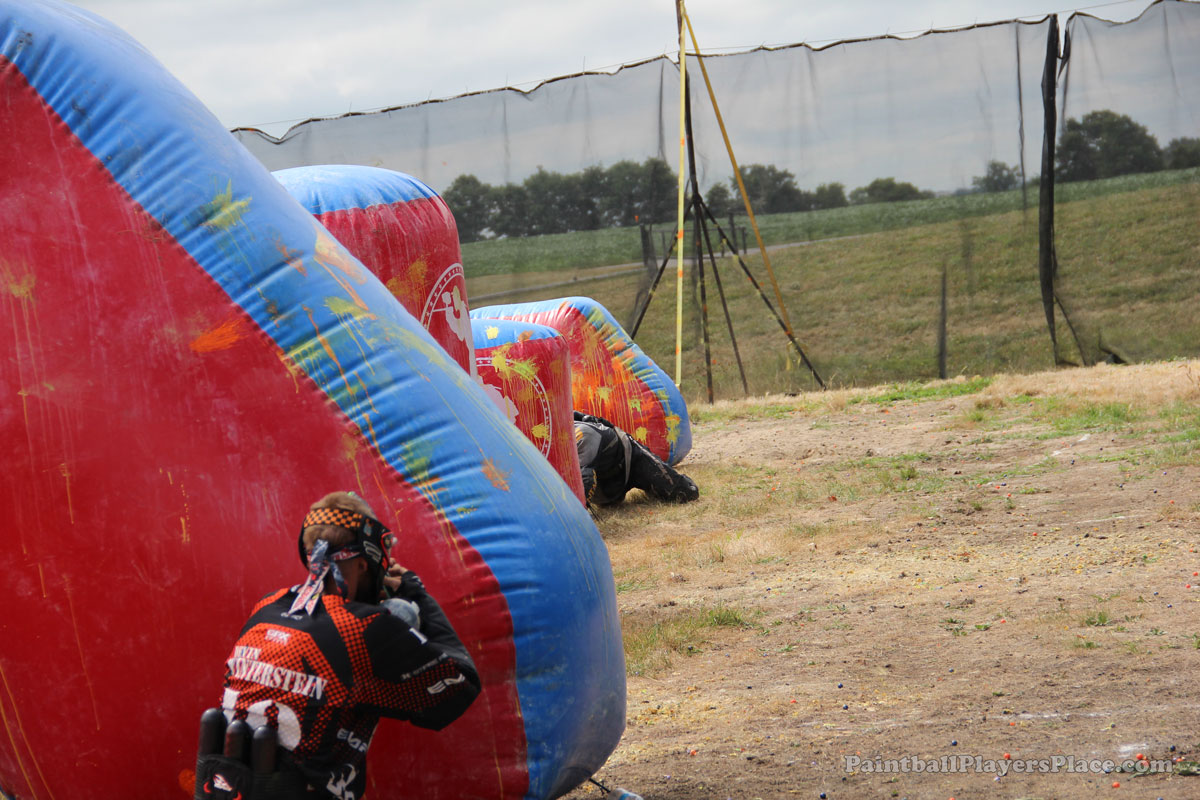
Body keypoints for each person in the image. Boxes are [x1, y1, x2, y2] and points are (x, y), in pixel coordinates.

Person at [198, 491, 480, 799]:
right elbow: (461, 687)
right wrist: (417, 595)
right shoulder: (365, 628)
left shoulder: (266, 606)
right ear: (364, 564)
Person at [574, 411, 699, 507]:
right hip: (607, 484)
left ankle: (658, 485)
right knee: (609, 504)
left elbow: (585, 478)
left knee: (685, 493)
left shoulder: (583, 435)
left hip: (632, 458)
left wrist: (576, 515)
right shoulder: (566, 428)